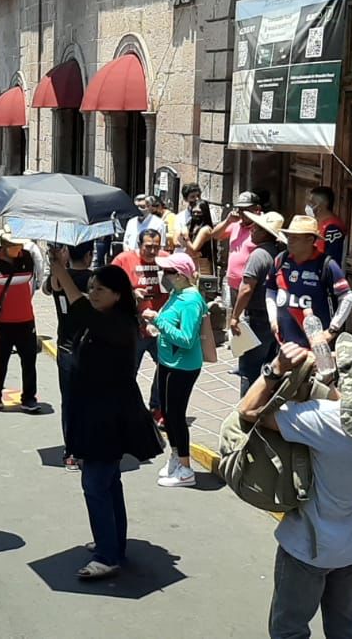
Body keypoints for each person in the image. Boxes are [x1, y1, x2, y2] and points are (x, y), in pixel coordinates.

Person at [239, 336, 352, 639]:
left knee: (289, 630)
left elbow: (249, 411)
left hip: (310, 545)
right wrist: (331, 377)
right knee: (343, 631)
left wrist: (275, 370)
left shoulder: (328, 421)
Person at [48, 261, 162, 578]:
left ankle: (107, 554)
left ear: (117, 294)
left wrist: (63, 273)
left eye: (101, 289)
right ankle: (112, 543)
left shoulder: (119, 323)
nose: (93, 292)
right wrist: (59, 284)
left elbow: (81, 309)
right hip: (96, 411)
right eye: (92, 286)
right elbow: (74, 318)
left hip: (108, 415)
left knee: (95, 483)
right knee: (109, 483)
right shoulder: (103, 320)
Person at [148, 252, 210, 488]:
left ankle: (185, 467)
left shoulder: (192, 300)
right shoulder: (176, 294)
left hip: (183, 366)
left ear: (182, 275)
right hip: (167, 362)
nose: (165, 276)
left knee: (176, 416)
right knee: (167, 413)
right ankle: (176, 455)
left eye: (170, 272)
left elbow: (186, 338)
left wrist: (158, 321)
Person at [267, 215, 352, 349]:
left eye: (295, 238)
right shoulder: (280, 260)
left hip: (316, 346)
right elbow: (271, 290)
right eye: (289, 236)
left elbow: (347, 297)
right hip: (285, 343)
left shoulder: (326, 264)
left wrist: (333, 329)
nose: (289, 241)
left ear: (310, 240)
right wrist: (272, 318)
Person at [0, 228, 42, 414]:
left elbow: (32, 284)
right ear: (5, 246)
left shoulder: (27, 258)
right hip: (1, 322)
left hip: (26, 320)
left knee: (29, 360)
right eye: (16, 246)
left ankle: (29, 398)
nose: (20, 249)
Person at [111, 228, 168, 409]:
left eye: (156, 247)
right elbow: (108, 288)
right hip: (133, 328)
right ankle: (125, 408)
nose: (152, 252)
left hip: (161, 327)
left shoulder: (166, 259)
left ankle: (157, 406)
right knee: (127, 372)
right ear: (139, 245)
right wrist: (132, 294)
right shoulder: (123, 260)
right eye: (148, 247)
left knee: (166, 368)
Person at [232, 212, 287, 394]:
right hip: (276, 319)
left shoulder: (258, 255)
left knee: (249, 369)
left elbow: (246, 288)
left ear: (265, 233)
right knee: (271, 367)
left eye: (256, 228)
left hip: (257, 319)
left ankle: (245, 411)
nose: (252, 230)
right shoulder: (280, 254)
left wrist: (234, 317)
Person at [212, 191, 262, 307]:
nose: (242, 213)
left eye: (246, 210)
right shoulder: (236, 224)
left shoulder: (261, 227)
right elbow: (215, 235)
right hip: (232, 284)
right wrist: (227, 221)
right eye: (240, 209)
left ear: (257, 209)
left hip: (250, 285)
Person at [307, 187, 346, 267]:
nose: (308, 206)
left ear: (321, 205)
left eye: (312, 203)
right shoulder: (316, 223)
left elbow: (333, 260)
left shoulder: (333, 228)